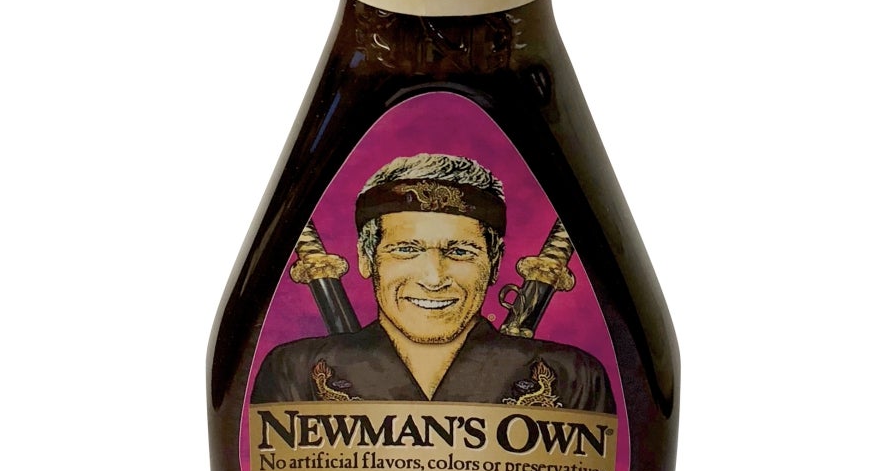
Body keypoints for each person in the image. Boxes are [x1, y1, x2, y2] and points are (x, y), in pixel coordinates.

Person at [251, 153, 614, 413]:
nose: (434, 278)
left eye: (460, 252)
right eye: (406, 249)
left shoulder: (571, 378)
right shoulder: (295, 371)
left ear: (495, 263)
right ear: (365, 258)